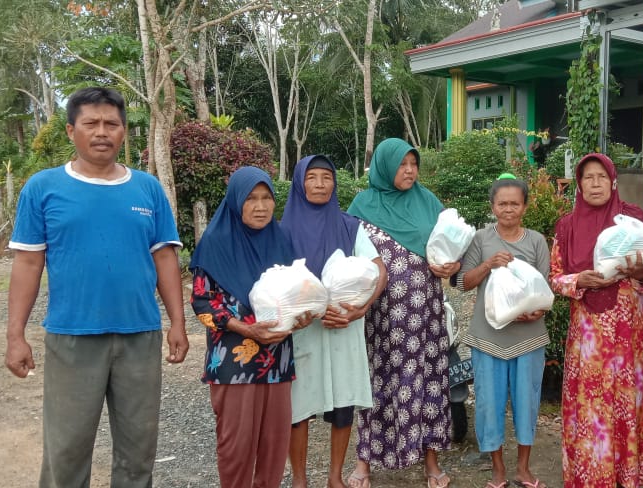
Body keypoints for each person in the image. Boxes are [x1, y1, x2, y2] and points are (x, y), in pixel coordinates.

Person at [4, 86, 188, 487]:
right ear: (71, 131)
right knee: (66, 450)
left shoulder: (147, 189)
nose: (101, 131)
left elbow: (164, 258)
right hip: (72, 337)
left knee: (138, 451)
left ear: (123, 131)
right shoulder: (44, 187)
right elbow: (29, 262)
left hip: (139, 335)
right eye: (91, 123)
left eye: (112, 123)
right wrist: (15, 335)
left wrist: (178, 322)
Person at [346, 138, 460, 488]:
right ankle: (364, 462)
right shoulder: (363, 205)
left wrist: (452, 265)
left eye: (414, 163)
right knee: (377, 382)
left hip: (424, 315)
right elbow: (347, 259)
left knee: (427, 382)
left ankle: (430, 462)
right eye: (402, 164)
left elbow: (453, 247)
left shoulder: (428, 202)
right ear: (384, 166)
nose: (409, 170)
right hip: (380, 318)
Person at [189, 166, 313, 487]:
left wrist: (302, 316)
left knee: (274, 446)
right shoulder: (215, 242)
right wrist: (246, 329)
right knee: (236, 448)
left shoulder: (281, 239)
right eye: (251, 199)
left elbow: (296, 290)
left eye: (267, 198)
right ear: (236, 201)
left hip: (278, 362)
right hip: (234, 365)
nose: (261, 207)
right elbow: (202, 304)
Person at [549, 153, 643, 488]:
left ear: (613, 181)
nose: (596, 183)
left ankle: (631, 476)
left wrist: (640, 271)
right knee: (592, 404)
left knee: (630, 399)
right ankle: (593, 477)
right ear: (580, 184)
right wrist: (579, 281)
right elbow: (555, 277)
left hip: (629, 328)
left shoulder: (632, 217)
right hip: (588, 335)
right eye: (588, 177)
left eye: (602, 176)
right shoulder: (567, 225)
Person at [280, 155, 387, 488]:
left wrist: (360, 309)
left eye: (327, 177)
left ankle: (335, 477)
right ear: (299, 182)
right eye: (312, 177)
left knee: (343, 404)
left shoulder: (349, 226)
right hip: (302, 332)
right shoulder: (281, 231)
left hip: (343, 326)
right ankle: (299, 479)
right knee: (299, 407)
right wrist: (300, 311)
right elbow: (273, 281)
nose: (320, 184)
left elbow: (379, 270)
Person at [456, 175, 550, 488]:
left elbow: (545, 288)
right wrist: (488, 265)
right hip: (488, 337)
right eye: (502, 203)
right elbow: (461, 282)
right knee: (488, 405)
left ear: (524, 206)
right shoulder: (481, 240)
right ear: (493, 206)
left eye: (514, 203)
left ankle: (523, 469)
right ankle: (498, 470)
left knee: (527, 403)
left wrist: (538, 310)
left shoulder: (536, 241)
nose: (508, 209)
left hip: (529, 337)